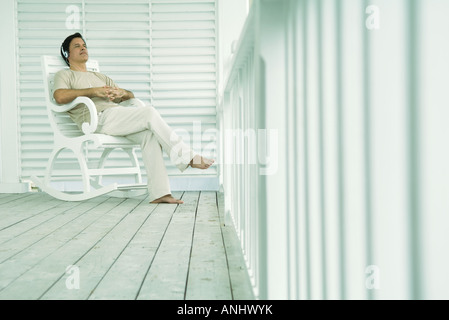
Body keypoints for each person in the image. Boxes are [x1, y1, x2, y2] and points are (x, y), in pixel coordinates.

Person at [53, 33, 214, 204]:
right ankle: (188, 157)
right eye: (77, 46)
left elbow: (129, 96)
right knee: (149, 112)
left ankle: (160, 193)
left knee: (149, 135)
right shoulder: (65, 75)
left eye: (84, 45)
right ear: (67, 54)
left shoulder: (100, 76)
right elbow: (59, 96)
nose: (83, 48)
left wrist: (122, 93)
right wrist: (92, 92)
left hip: (116, 117)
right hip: (97, 119)